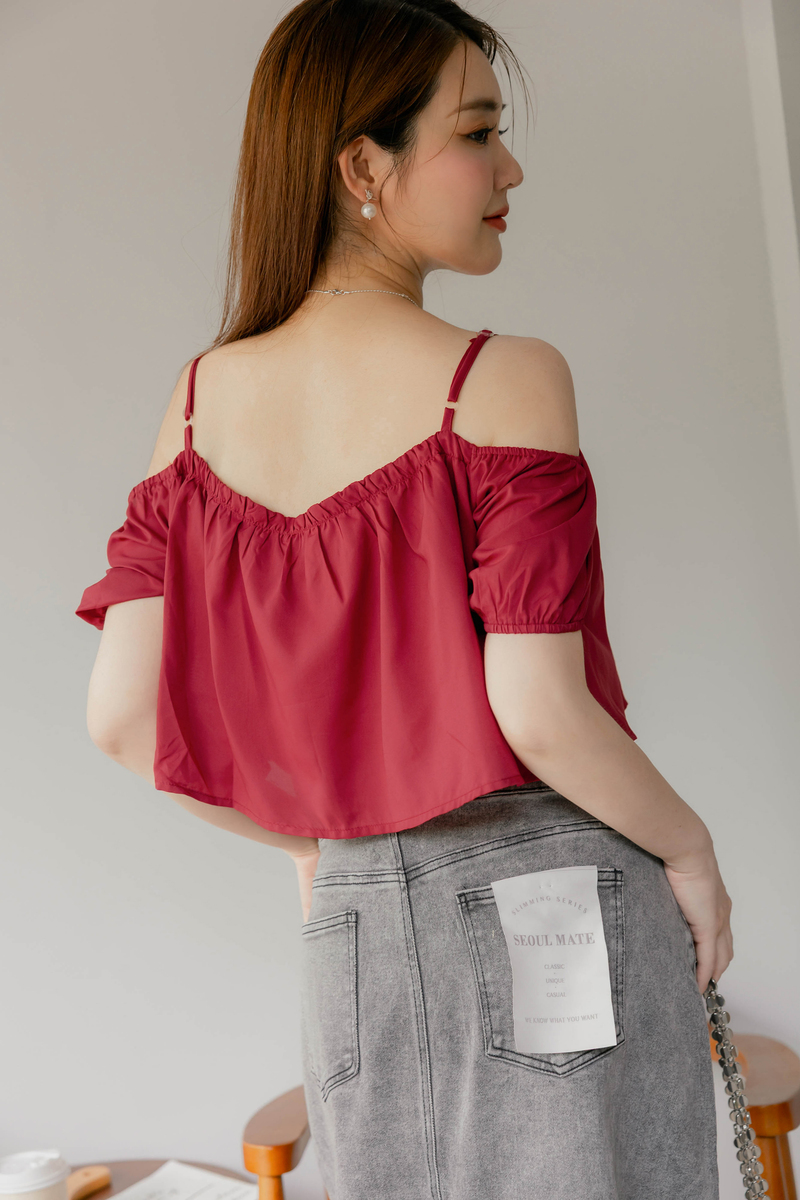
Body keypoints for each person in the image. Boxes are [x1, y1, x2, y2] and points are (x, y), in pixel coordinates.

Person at [75, 1, 732, 1196]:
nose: (509, 168)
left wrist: (329, 839)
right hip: (551, 895)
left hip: (353, 923)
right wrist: (688, 851)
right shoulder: (499, 379)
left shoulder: (195, 403)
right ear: (360, 167)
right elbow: (537, 709)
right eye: (476, 132)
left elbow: (121, 719)